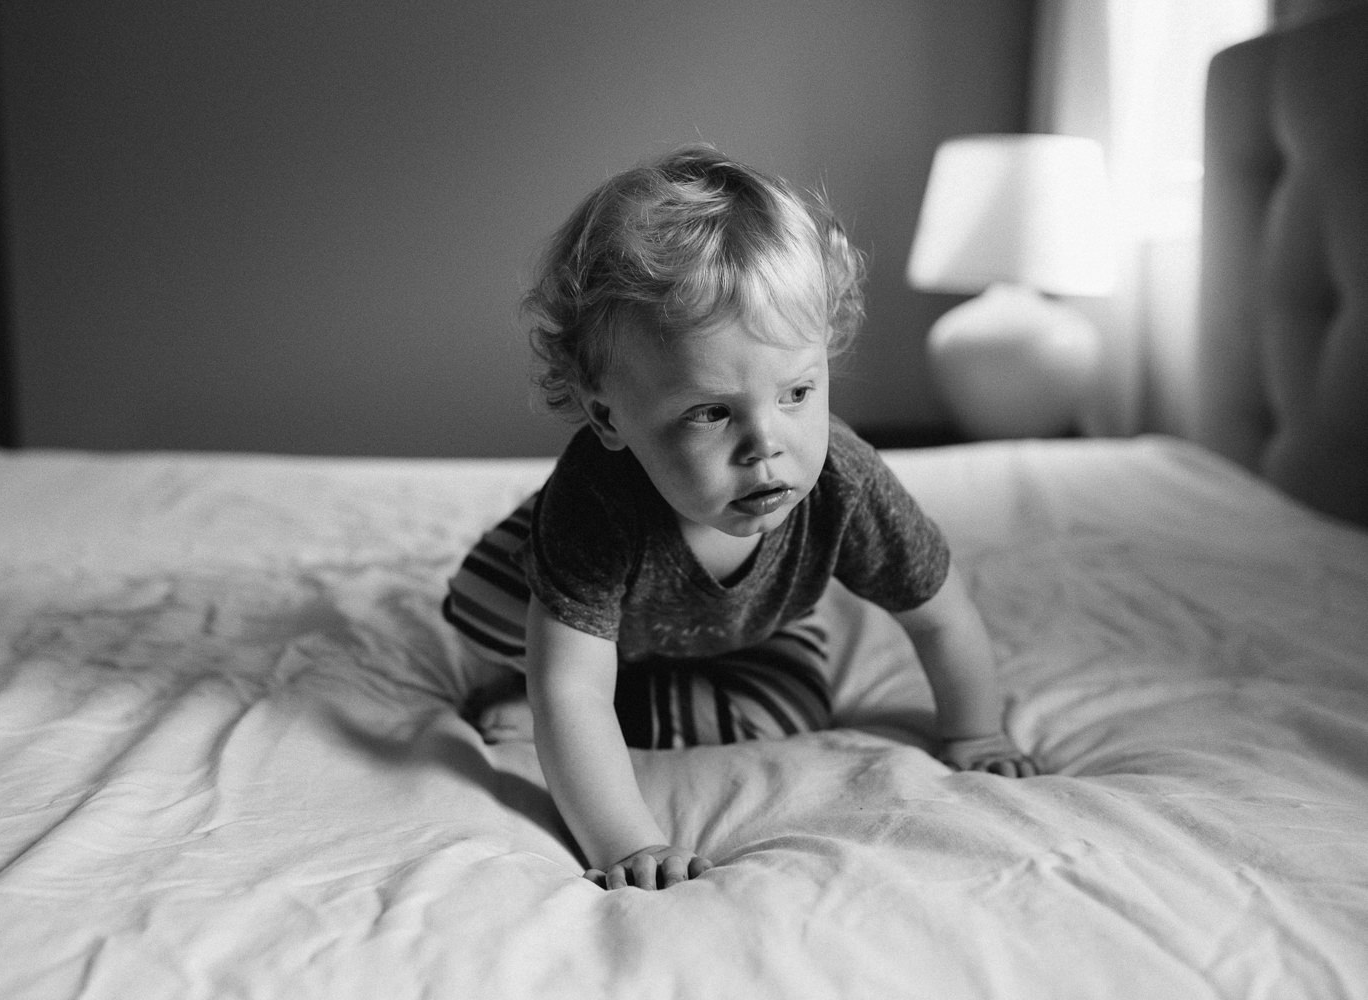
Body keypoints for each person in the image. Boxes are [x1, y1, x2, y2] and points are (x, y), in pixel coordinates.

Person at [443, 145, 1037, 892]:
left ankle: (645, 678)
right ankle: (507, 676)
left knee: (786, 712)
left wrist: (975, 731)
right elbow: (570, 690)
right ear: (608, 415)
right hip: (572, 606)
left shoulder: (843, 482)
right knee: (499, 614)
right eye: (711, 412)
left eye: (796, 393)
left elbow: (939, 615)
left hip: (742, 626)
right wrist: (629, 843)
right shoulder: (594, 500)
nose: (767, 447)